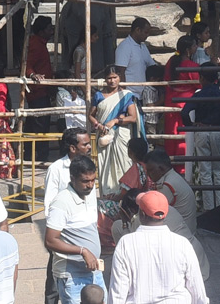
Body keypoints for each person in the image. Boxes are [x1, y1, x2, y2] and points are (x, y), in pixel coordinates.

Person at [110, 190, 210, 304]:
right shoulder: (183, 243)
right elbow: (197, 291)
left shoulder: (125, 243)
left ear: (141, 214)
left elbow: (118, 293)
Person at [44, 154, 104, 304]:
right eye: (85, 181)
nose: (90, 185)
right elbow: (50, 241)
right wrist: (82, 251)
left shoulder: (89, 194)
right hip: (72, 278)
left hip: (95, 273)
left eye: (93, 180)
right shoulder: (61, 203)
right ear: (72, 178)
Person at [43, 128, 92, 304]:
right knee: (56, 280)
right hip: (63, 233)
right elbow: (49, 203)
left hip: (84, 232)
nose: (89, 147)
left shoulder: (88, 167)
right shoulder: (57, 169)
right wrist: (58, 234)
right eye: (85, 144)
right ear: (72, 148)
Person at [180, 69, 220, 212]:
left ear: (202, 78)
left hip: (202, 130)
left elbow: (184, 112)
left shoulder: (199, 95)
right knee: (219, 170)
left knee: (205, 170)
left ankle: (209, 209)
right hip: (218, 130)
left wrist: (191, 126)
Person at [89, 65, 142, 196]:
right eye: (109, 78)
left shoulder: (126, 96)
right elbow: (91, 115)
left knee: (124, 165)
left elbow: (133, 117)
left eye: (115, 77)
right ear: (105, 79)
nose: (112, 81)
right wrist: (99, 125)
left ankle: (124, 195)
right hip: (104, 136)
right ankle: (108, 197)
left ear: (120, 77)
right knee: (105, 166)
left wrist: (115, 121)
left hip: (121, 136)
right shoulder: (99, 95)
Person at [163, 35, 201, 170]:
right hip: (186, 107)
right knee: (184, 137)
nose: (196, 48)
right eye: (194, 46)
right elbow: (202, 85)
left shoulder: (171, 62)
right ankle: (182, 168)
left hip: (171, 104)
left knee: (172, 136)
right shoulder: (191, 66)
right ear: (188, 50)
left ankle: (170, 166)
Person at [115, 18, 158, 128]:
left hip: (142, 95)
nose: (147, 35)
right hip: (129, 95)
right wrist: (124, 95)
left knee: (140, 127)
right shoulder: (125, 46)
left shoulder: (143, 47)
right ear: (137, 30)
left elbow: (152, 65)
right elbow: (120, 72)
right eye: (146, 32)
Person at [144, 149, 197, 229]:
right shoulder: (173, 177)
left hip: (179, 232)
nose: (148, 174)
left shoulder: (167, 185)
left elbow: (153, 211)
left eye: (150, 170)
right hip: (186, 228)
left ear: (161, 169)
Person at [26, 16, 55, 144]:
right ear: (42, 31)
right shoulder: (36, 44)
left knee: (37, 124)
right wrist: (32, 75)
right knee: (40, 125)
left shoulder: (39, 43)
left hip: (43, 91)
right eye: (49, 29)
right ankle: (39, 154)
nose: (52, 32)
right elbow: (26, 64)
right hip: (38, 92)